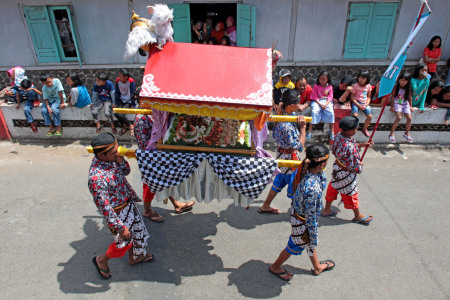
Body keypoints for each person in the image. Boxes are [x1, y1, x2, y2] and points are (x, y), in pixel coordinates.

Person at [88, 133, 153, 279]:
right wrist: (120, 227)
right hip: (117, 215)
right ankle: (102, 260)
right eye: (113, 153)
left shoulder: (111, 159)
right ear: (102, 156)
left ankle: (135, 257)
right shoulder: (96, 178)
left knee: (138, 232)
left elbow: (126, 171)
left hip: (128, 204)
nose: (117, 153)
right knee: (123, 243)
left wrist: (119, 159)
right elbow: (105, 209)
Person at [269, 144, 335, 281]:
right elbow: (310, 215)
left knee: (308, 243)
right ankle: (275, 266)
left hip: (298, 214)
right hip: (303, 221)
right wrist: (312, 230)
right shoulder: (313, 188)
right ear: (322, 165)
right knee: (295, 245)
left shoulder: (304, 171)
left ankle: (317, 266)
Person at [134, 111, 196, 220]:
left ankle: (176, 203)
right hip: (152, 155)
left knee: (166, 178)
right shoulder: (142, 118)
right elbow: (143, 144)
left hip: (162, 152)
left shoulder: (161, 111)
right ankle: (147, 210)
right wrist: (152, 158)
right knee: (151, 183)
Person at [259, 89, 306, 214]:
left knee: (279, 180)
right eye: (298, 102)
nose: (300, 104)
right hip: (290, 158)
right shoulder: (287, 125)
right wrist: (303, 128)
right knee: (295, 185)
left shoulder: (281, 116)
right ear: (291, 105)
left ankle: (266, 205)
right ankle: (297, 211)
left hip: (281, 155)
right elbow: (300, 146)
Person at [321, 116, 374, 225]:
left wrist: (361, 145)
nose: (356, 130)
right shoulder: (350, 147)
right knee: (351, 193)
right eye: (356, 128)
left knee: (333, 187)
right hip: (346, 174)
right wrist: (360, 164)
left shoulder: (338, 136)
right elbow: (354, 167)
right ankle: (357, 215)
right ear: (350, 131)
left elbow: (339, 150)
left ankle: (327, 209)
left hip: (337, 169)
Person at [308, 71, 335, 141]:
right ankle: (310, 130)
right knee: (314, 111)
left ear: (327, 79)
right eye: (320, 79)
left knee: (331, 113)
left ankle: (332, 130)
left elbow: (330, 96)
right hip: (317, 101)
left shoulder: (330, 86)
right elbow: (314, 96)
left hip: (327, 101)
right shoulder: (316, 86)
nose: (321, 81)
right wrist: (320, 104)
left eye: (324, 79)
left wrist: (326, 104)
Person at [388, 72, 413, 143]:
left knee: (409, 118)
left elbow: (410, 97)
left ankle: (407, 133)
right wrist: (392, 105)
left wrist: (411, 106)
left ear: (407, 81)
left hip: (405, 103)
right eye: (401, 80)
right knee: (399, 117)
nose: (402, 82)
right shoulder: (396, 86)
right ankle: (391, 134)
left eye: (404, 80)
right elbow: (393, 96)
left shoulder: (408, 87)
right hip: (397, 103)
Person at [114, 68, 137, 136]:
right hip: (121, 100)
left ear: (126, 77)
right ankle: (125, 126)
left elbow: (133, 93)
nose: (119, 78)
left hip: (128, 101)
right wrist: (116, 103)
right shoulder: (118, 81)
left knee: (121, 114)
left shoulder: (131, 81)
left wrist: (133, 104)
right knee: (115, 113)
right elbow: (117, 92)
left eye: (120, 76)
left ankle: (130, 126)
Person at [350, 71, 372, 138]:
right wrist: (358, 105)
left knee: (370, 116)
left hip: (364, 103)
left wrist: (365, 105)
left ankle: (365, 129)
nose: (361, 80)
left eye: (363, 78)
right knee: (355, 115)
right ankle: (354, 128)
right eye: (360, 78)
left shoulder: (368, 86)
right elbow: (352, 97)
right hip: (356, 102)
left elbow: (368, 97)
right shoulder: (355, 86)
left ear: (367, 79)